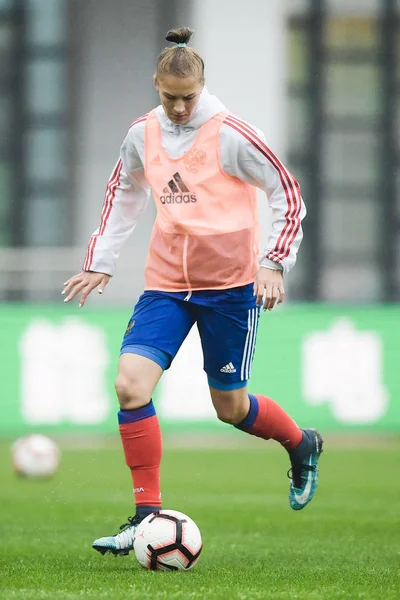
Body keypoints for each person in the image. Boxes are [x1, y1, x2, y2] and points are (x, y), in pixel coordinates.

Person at [63, 27, 323, 556]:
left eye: (188, 98)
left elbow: (286, 192)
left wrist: (273, 264)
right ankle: (144, 516)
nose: (179, 108)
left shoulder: (231, 134)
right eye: (169, 98)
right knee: (130, 385)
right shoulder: (142, 134)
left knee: (229, 407)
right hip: (165, 285)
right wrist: (101, 263)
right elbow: (123, 193)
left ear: (201, 88)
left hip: (229, 289)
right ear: (155, 87)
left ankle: (301, 443)